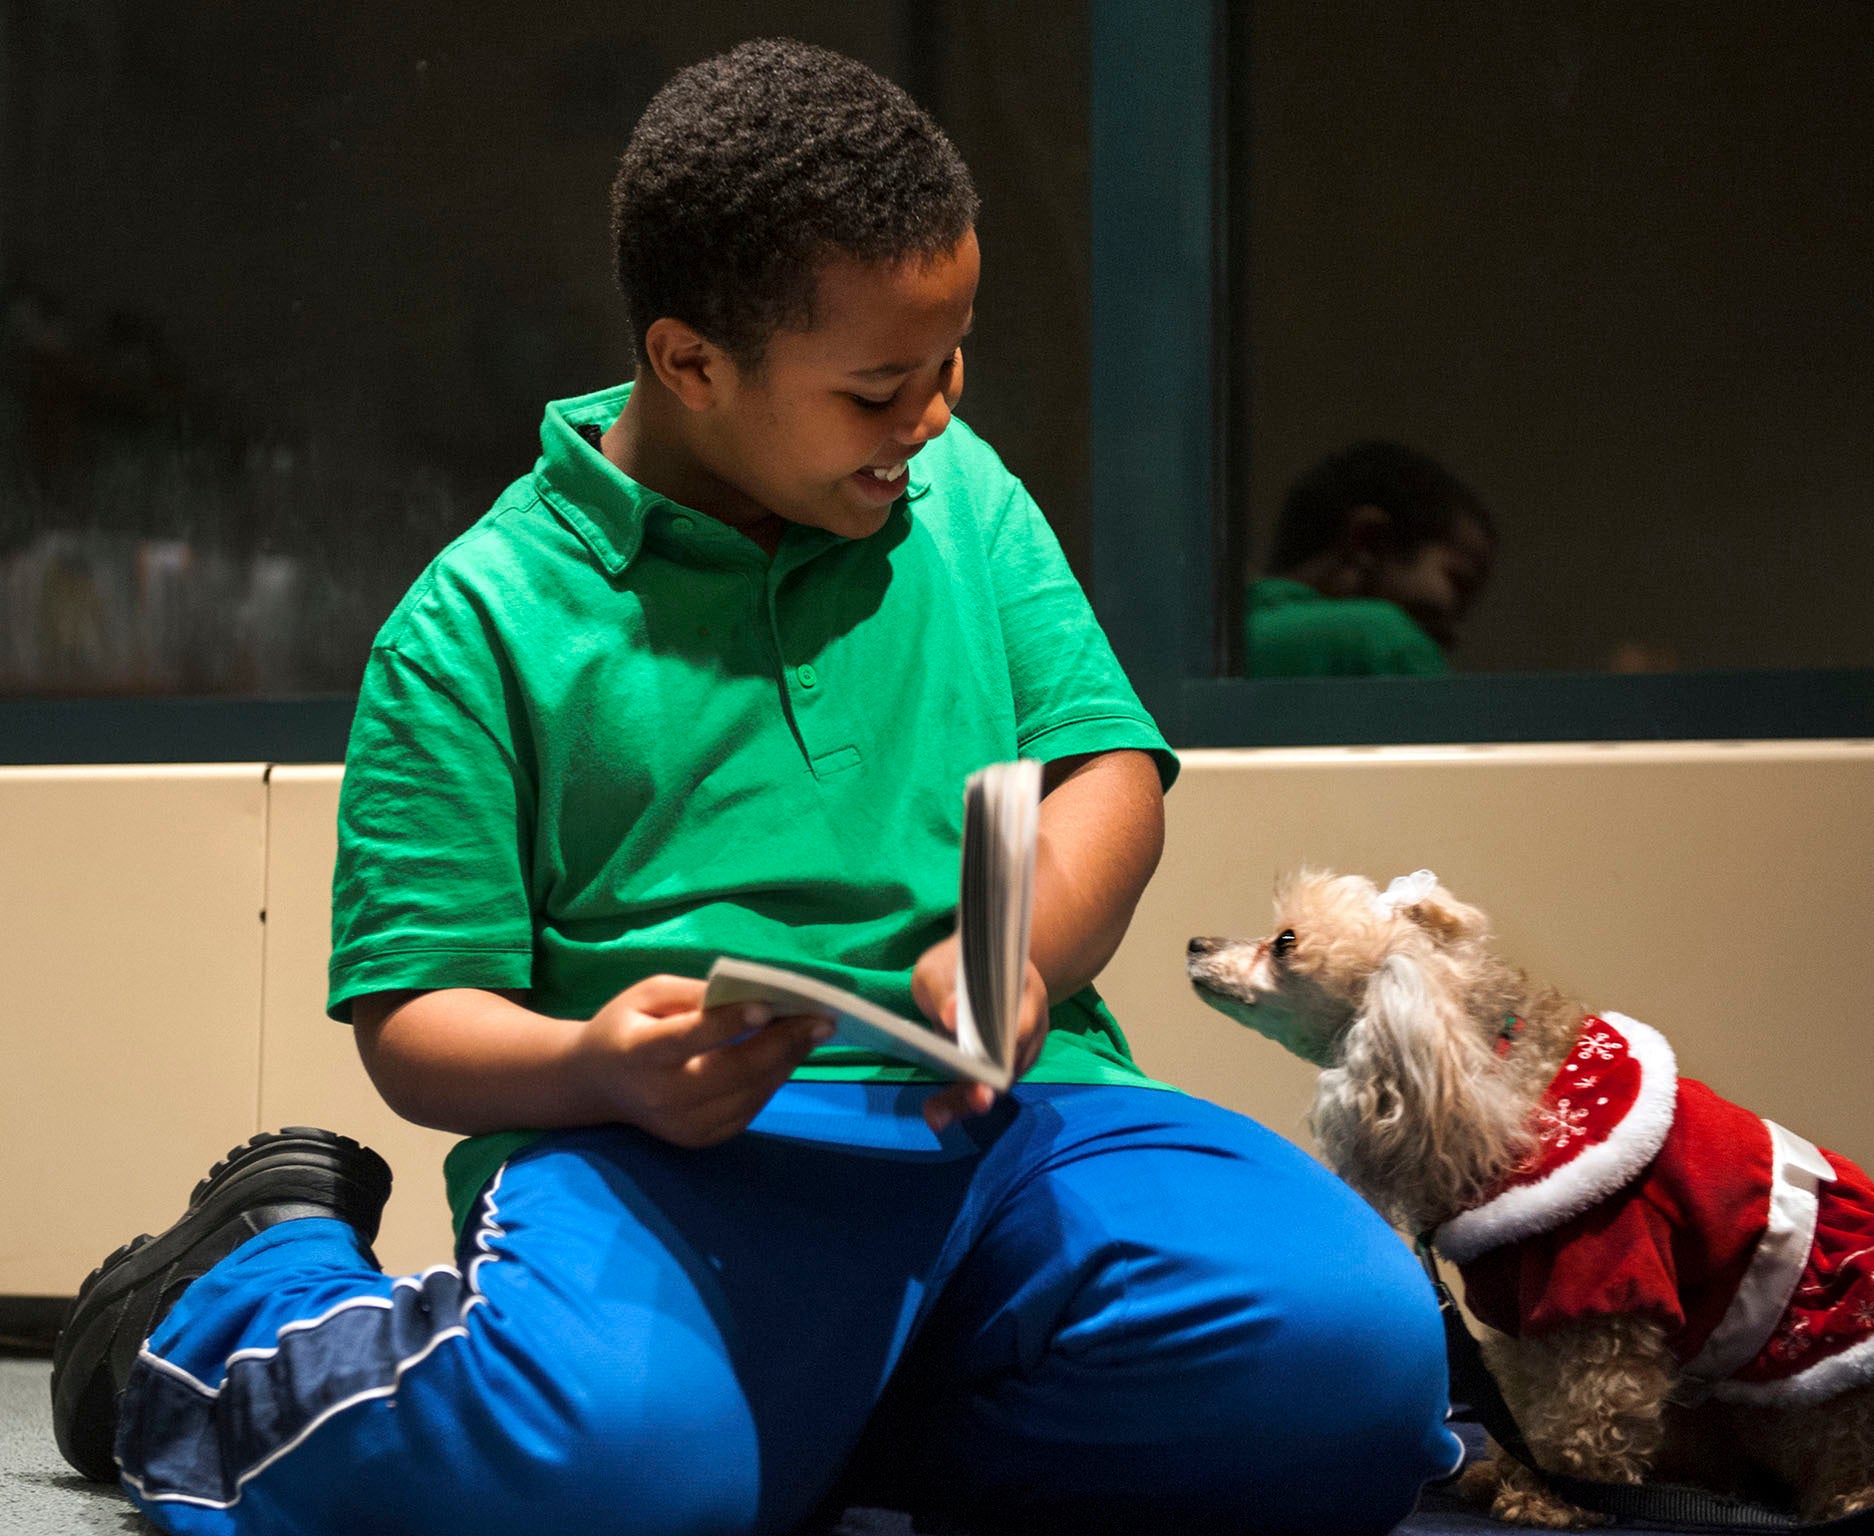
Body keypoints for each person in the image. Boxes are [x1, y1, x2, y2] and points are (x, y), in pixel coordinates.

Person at [51, 41, 1462, 1536]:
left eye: (951, 364)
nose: (930, 417)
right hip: (669, 1169)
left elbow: (1107, 772)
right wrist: (596, 1066)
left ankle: (814, 1415)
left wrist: (1024, 952)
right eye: (875, 390)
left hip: (1012, 1127)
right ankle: (236, 1289)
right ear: (691, 364)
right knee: (606, 1477)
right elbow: (414, 1025)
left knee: (1356, 1362)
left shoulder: (963, 495)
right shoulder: (474, 625)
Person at [1246, 440, 1495, 677]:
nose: (1454, 633)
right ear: (1369, 541)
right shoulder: (1382, 640)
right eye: (1458, 581)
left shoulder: (1221, 646)